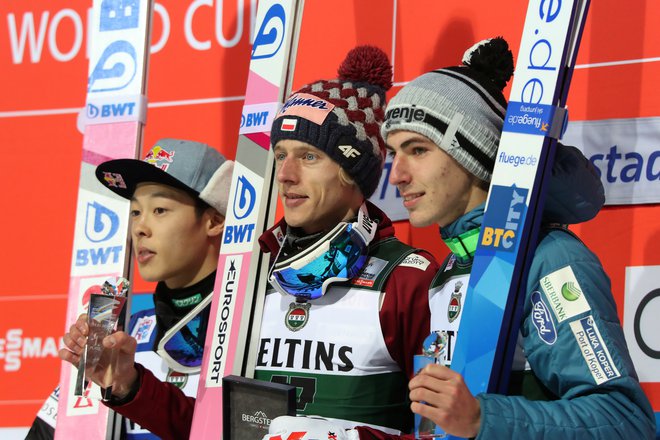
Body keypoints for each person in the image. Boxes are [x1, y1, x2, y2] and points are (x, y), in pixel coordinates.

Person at [375, 37, 656, 439]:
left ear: (472, 153)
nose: (397, 174)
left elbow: (626, 422)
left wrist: (482, 419)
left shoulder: (550, 259)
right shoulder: (455, 263)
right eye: (393, 154)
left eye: (417, 150)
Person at [257, 45, 439, 436]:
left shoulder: (407, 280)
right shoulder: (251, 272)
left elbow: (445, 432)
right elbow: (208, 420)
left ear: (352, 172)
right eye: (280, 155)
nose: (285, 174)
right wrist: (131, 387)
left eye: (308, 157)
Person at [27, 139, 233, 440]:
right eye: (136, 212)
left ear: (215, 220)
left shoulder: (251, 326)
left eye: (160, 210)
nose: (140, 228)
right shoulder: (119, 336)